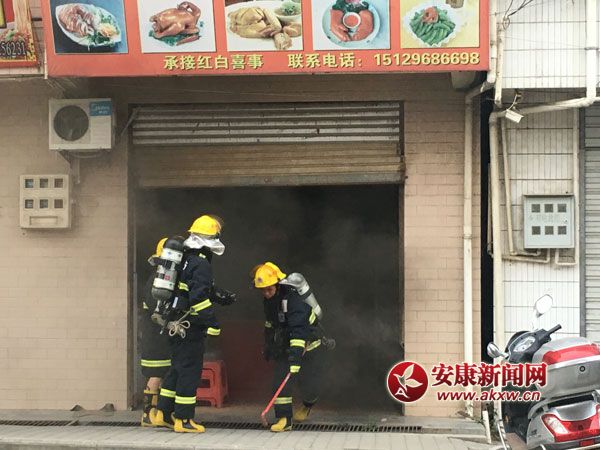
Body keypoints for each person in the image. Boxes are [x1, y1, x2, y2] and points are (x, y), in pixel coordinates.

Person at [149, 215, 228, 433]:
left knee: (176, 369)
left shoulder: (183, 259)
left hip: (173, 323)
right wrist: (213, 323)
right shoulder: (200, 263)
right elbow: (198, 299)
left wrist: (219, 295)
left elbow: (188, 290)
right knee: (190, 372)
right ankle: (183, 419)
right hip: (189, 326)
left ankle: (164, 414)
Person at [252, 262, 325, 432]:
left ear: (278, 285)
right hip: (287, 343)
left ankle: (308, 404)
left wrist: (295, 358)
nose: (266, 293)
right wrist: (269, 345)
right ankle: (284, 419)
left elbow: (298, 330)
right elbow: (271, 324)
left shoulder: (293, 300)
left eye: (269, 289)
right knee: (280, 380)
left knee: (309, 385)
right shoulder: (269, 301)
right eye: (263, 290)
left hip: (308, 344)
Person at [140, 238, 172, 427]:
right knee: (156, 374)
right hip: (155, 335)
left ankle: (156, 412)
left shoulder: (161, 278)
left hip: (159, 335)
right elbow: (155, 309)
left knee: (161, 373)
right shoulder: (157, 281)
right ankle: (148, 414)